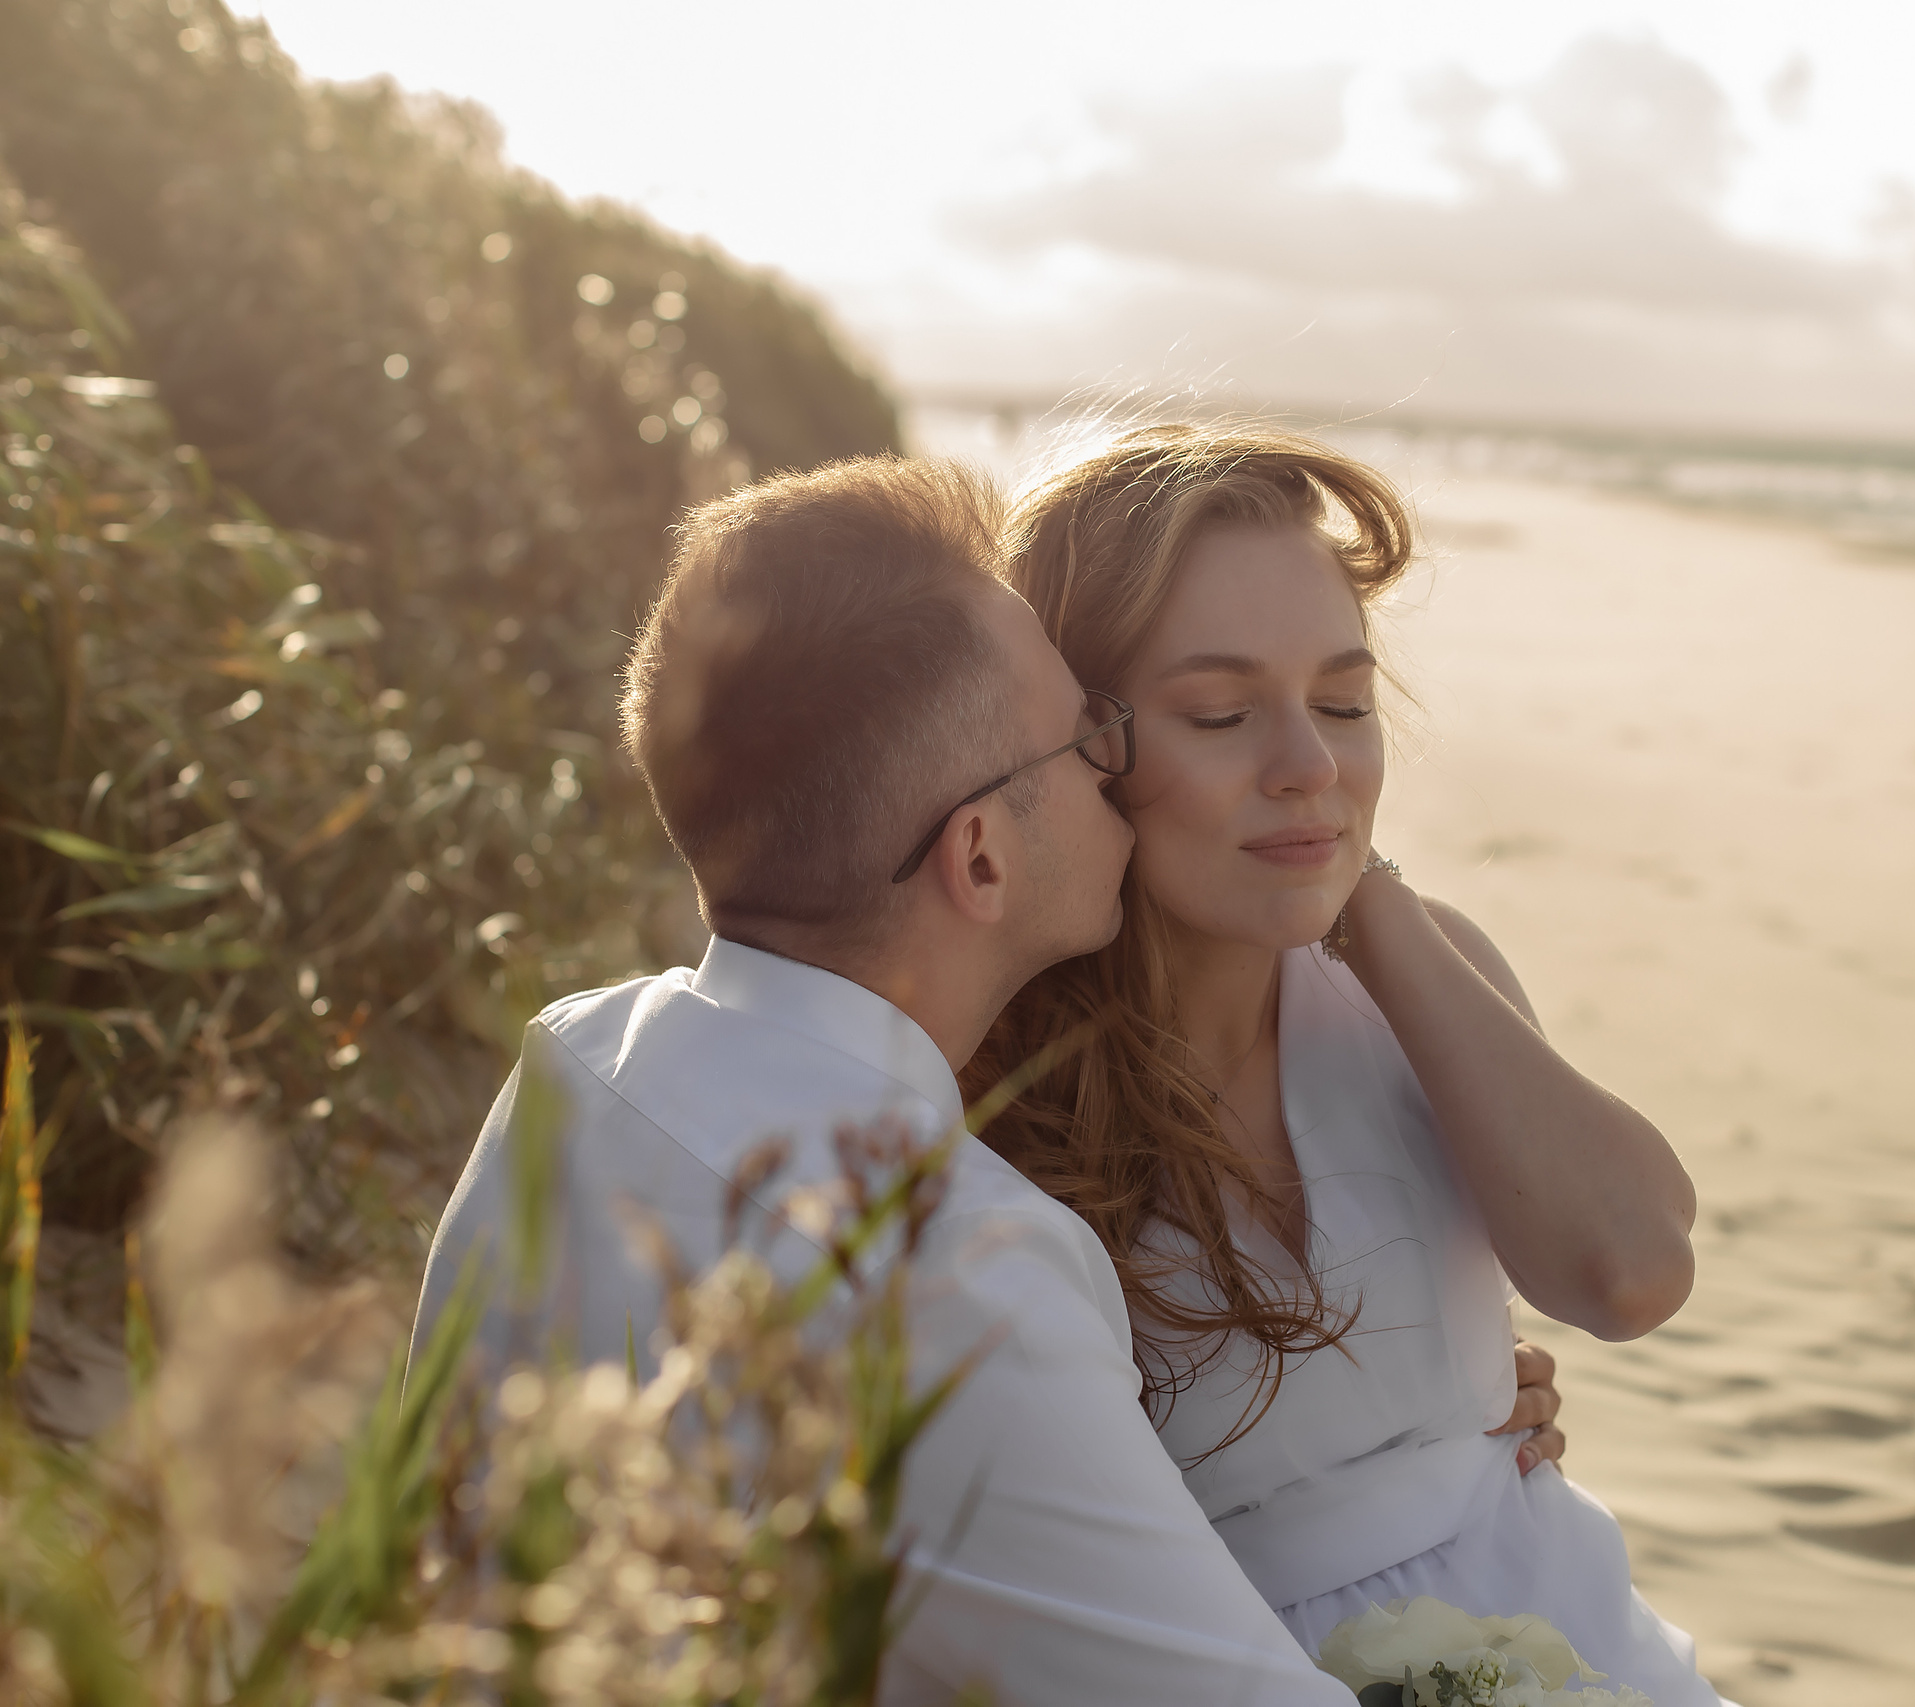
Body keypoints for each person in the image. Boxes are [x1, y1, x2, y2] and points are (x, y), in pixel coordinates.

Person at [408, 456, 1564, 1704]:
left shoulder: (576, 1061)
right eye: (1082, 739)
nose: (1114, 767)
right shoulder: (956, 1269)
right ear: (981, 856)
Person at [971, 425, 1722, 1703]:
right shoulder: (987, 1090)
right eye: (1222, 713)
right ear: (1078, 743)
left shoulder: (1414, 990)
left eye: (1343, 703)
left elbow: (1629, 1270)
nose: (1309, 767)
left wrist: (1366, 900)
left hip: (1565, 1643)